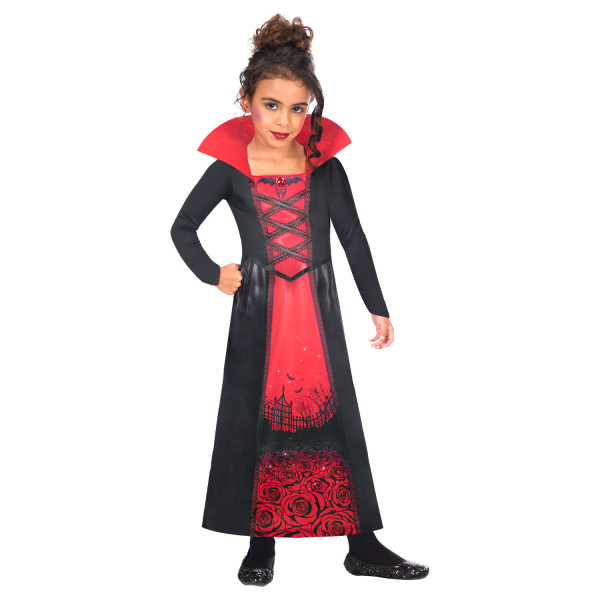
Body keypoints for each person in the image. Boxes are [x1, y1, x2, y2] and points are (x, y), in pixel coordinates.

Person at [170, 13, 429, 586]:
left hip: (317, 311)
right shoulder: (230, 170)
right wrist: (214, 274)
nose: (284, 120)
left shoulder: (325, 168)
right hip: (258, 314)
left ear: (309, 109)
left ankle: (362, 545)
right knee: (258, 417)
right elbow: (182, 227)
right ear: (246, 101)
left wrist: (377, 306)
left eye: (297, 108)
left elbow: (353, 237)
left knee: (337, 418)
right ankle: (260, 544)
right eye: (271, 105)